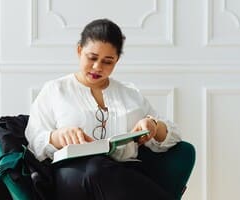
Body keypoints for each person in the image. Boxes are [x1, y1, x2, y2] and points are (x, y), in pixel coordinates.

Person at [25, 18, 182, 200]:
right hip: (72, 176)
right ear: (79, 50)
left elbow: (174, 137)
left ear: (117, 60)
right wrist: (57, 137)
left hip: (123, 175)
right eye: (91, 58)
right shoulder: (55, 90)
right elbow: (33, 142)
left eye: (108, 61)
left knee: (104, 171)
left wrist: (153, 125)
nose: (97, 67)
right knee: (94, 169)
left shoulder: (130, 94)